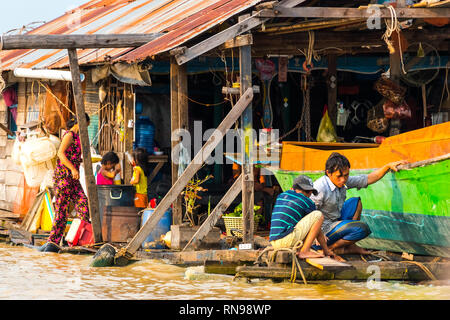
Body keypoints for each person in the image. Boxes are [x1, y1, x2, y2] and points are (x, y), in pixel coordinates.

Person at [310, 152, 407, 255]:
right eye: (339, 176)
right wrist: (317, 234)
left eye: (346, 175)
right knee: (361, 229)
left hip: (335, 221)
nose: (343, 179)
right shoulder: (320, 187)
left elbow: (368, 178)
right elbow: (308, 213)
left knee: (355, 202)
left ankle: (349, 246)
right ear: (328, 173)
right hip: (323, 231)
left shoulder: (343, 181)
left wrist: (387, 166)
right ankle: (330, 248)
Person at [39, 113, 91, 252]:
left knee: (83, 204)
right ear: (79, 122)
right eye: (86, 125)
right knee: (62, 212)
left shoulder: (78, 137)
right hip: (64, 177)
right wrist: (73, 168)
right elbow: (61, 154)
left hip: (73, 179)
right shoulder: (69, 135)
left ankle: (79, 239)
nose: (86, 129)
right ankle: (53, 242)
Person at [269, 175, 334, 259]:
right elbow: (317, 225)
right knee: (318, 214)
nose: (309, 195)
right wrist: (326, 250)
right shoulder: (307, 201)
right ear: (310, 192)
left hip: (274, 241)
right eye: (307, 192)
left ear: (292, 188)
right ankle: (305, 251)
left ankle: (303, 249)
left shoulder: (281, 196)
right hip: (286, 240)